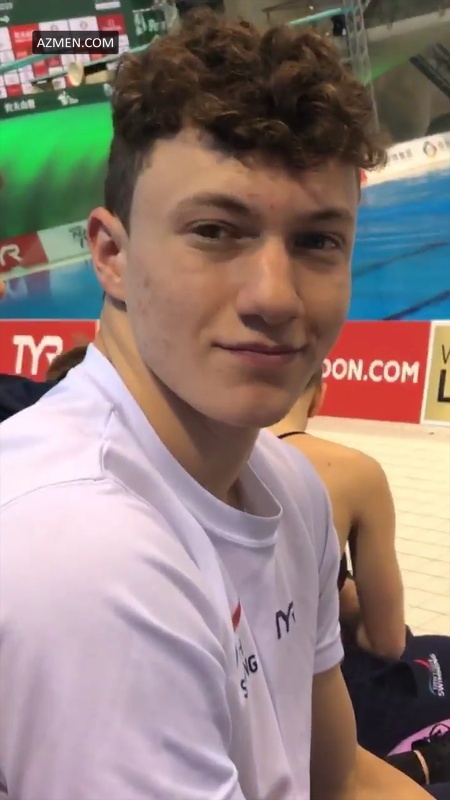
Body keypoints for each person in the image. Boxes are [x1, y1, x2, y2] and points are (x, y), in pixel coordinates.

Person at [0, 11, 436, 799]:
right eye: (214, 231)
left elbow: (339, 777)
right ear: (112, 255)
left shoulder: (291, 490)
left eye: (317, 241)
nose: (275, 297)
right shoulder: (84, 557)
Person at [270, 370, 450, 789]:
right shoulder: (351, 472)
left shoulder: (192, 462)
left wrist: (335, 586)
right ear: (319, 397)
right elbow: (387, 642)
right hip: (319, 705)